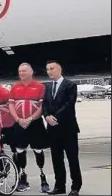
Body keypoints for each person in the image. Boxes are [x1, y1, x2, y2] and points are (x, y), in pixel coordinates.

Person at [9, 63, 49, 192]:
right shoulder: (14, 87)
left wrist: (30, 119)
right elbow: (11, 106)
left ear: (31, 72)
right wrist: (18, 119)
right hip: (19, 123)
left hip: (35, 124)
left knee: (38, 150)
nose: (22, 73)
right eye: (20, 71)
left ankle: (43, 178)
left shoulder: (40, 87)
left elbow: (42, 107)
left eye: (24, 71)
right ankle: (23, 177)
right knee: (20, 150)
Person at [43, 61, 81, 196]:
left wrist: (54, 117)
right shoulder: (47, 86)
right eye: (47, 69)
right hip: (53, 130)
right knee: (57, 160)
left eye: (52, 69)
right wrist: (46, 116)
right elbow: (45, 105)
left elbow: (69, 104)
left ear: (59, 69)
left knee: (72, 160)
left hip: (68, 129)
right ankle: (60, 186)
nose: (49, 71)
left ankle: (75, 187)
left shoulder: (70, 85)